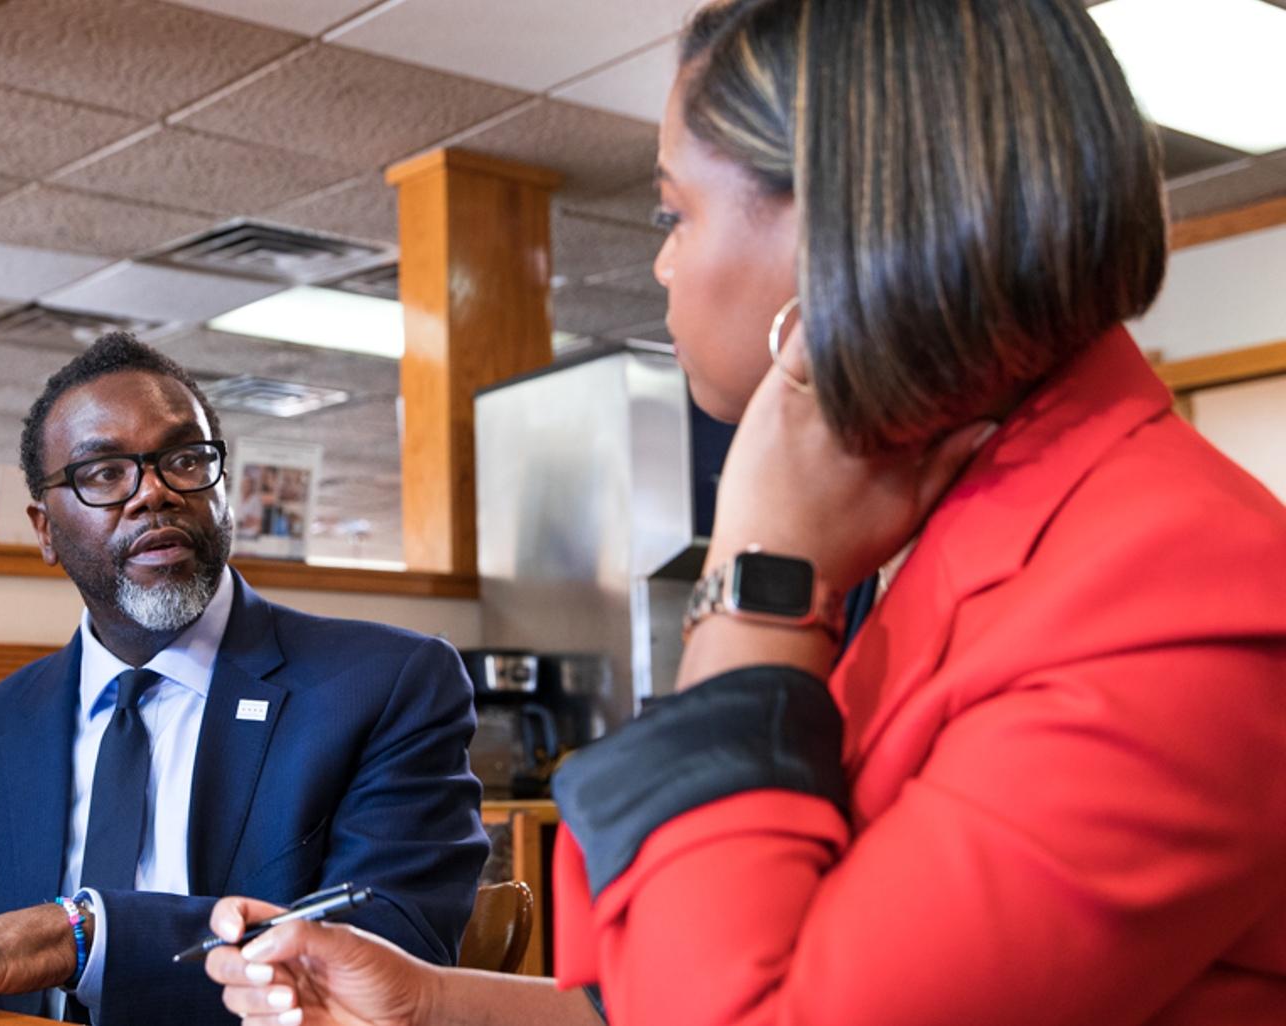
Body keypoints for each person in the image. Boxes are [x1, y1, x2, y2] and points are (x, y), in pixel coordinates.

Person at [201, 1, 1286, 1023]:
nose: (662, 259)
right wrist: (439, 1006)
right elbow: (731, 961)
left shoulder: (1175, 598)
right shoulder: (923, 526)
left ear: (852, 227)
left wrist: (756, 582)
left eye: (674, 211)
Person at [0, 333, 489, 1024]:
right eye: (103, 473)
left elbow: (395, 941)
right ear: (44, 531)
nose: (154, 491)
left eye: (185, 459)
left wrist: (87, 933)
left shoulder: (386, 685)